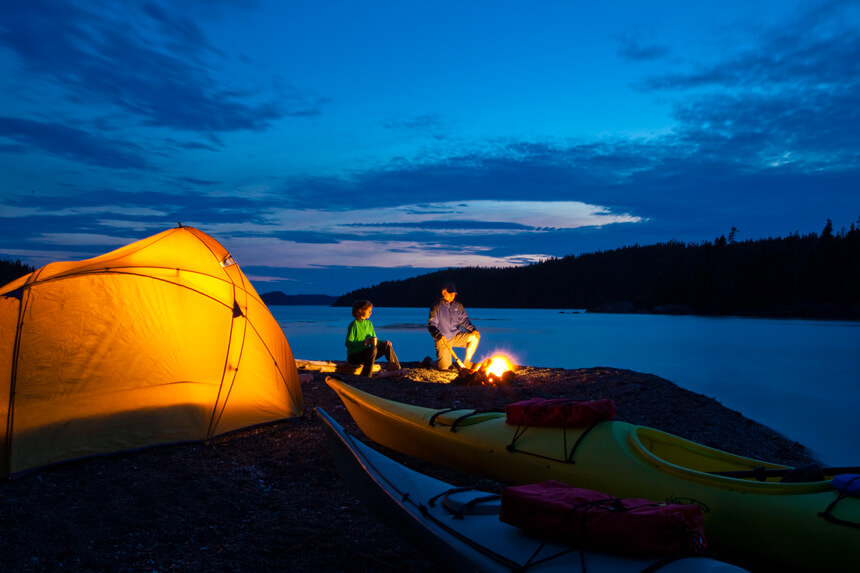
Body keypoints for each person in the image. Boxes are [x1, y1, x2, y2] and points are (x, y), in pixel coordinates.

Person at [427, 282, 480, 370]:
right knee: (444, 368)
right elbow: (431, 325)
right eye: (450, 293)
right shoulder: (436, 306)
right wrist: (438, 335)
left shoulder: (458, 306)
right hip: (443, 340)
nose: (452, 296)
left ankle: (466, 363)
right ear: (443, 292)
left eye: (454, 294)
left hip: (456, 336)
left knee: (475, 337)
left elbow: (464, 320)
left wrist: (473, 329)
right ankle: (429, 362)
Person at [345, 300, 401, 376]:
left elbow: (375, 341)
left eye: (370, 311)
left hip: (366, 354)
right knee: (373, 349)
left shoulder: (369, 324)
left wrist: (384, 342)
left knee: (387, 346)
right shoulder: (354, 325)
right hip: (354, 356)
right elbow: (348, 343)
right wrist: (364, 343)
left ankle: (397, 369)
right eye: (369, 311)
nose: (370, 313)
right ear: (360, 310)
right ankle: (366, 375)